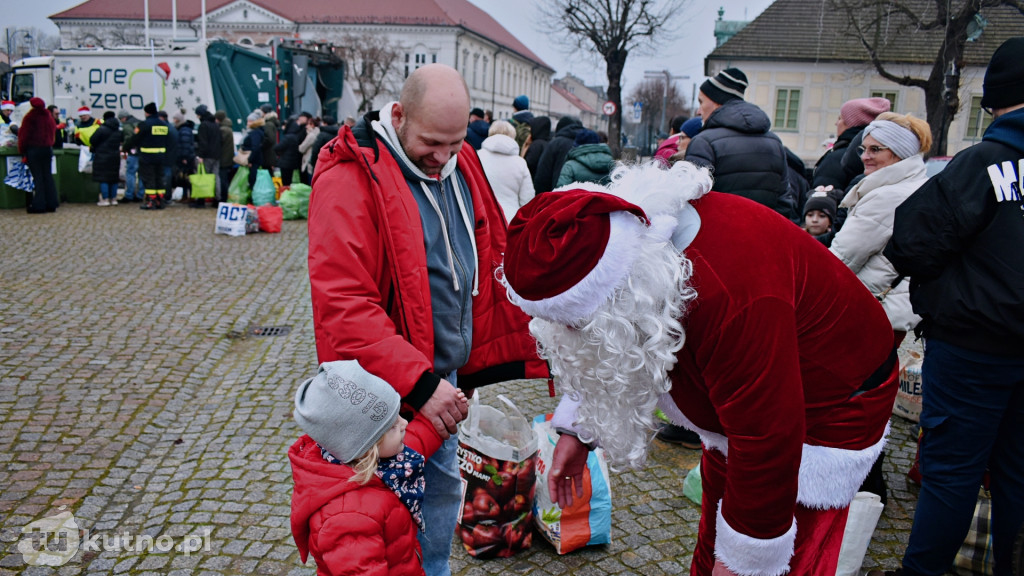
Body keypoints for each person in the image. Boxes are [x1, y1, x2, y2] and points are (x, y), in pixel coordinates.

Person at [500, 161, 899, 576]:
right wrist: (578, 428)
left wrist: (746, 560)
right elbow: (609, 344)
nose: (568, 332)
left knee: (789, 549)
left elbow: (766, 438)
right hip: (743, 399)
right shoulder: (631, 250)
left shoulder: (732, 294)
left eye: (575, 320)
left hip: (833, 401)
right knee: (718, 521)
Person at [307, 63, 547, 576]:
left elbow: (490, 249)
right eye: (432, 143)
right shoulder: (351, 175)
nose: (442, 158)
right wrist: (420, 384)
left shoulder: (463, 164)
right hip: (384, 396)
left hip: (440, 378)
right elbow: (344, 305)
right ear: (398, 115)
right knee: (378, 522)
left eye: (456, 143)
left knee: (439, 497)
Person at [879, 36, 1024, 576]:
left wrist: (948, 290)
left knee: (952, 473)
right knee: (1018, 474)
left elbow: (912, 243)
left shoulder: (983, 162)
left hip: (973, 347)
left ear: (995, 104)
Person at [290, 360, 463, 576]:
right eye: (393, 426)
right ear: (365, 446)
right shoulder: (346, 517)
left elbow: (419, 439)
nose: (404, 424)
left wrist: (448, 413)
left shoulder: (387, 459)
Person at [831, 112, 930, 346]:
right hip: (892, 308)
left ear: (899, 153)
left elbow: (842, 259)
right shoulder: (915, 186)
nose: (865, 156)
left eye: (875, 150)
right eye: (863, 149)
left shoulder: (887, 196)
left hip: (871, 310)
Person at [684, 68, 793, 220]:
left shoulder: (704, 142)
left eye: (701, 102)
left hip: (720, 236)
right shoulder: (774, 143)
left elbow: (691, 202)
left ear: (717, 102)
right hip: (761, 235)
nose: (698, 111)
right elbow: (784, 203)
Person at [477, 120, 534, 223]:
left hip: (481, 218)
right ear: (512, 136)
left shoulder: (477, 157)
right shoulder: (520, 163)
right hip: (509, 220)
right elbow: (527, 199)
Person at [127, 103, 171, 211]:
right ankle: (160, 200)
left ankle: (151, 201)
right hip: (161, 156)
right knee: (159, 178)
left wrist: (125, 147)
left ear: (147, 112)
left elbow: (134, 138)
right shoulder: (163, 125)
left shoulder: (144, 125)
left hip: (147, 156)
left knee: (149, 179)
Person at [19, 97, 59, 214]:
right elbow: (53, 133)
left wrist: (22, 150)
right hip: (47, 149)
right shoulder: (48, 117)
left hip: (34, 149)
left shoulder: (29, 117)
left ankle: (39, 204)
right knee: (48, 176)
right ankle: (51, 203)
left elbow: (24, 135)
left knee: (38, 177)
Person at [532, 115, 583, 193]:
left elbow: (543, 174)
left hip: (557, 195)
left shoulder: (556, 143)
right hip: (584, 197)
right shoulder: (588, 143)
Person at [89, 111, 123, 206]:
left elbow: (92, 140)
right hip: (115, 157)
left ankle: (105, 199)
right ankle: (114, 198)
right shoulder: (119, 130)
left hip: (102, 156)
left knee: (103, 178)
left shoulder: (102, 129)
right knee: (114, 178)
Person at [195, 104, 223, 207]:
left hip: (207, 155)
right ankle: (217, 199)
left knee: (203, 177)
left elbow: (203, 142)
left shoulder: (203, 125)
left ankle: (201, 199)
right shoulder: (215, 124)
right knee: (216, 177)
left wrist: (201, 155)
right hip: (216, 155)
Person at [275, 112, 309, 187]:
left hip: (285, 163)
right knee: (289, 181)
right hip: (292, 163)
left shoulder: (288, 137)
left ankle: (285, 195)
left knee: (285, 182)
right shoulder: (296, 137)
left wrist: (279, 153)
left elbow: (278, 147)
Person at [172, 111, 197, 203]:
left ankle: (190, 196)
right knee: (184, 178)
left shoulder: (184, 130)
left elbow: (185, 145)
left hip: (186, 158)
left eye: (175, 119)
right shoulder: (183, 129)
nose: (174, 121)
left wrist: (184, 158)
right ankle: (186, 195)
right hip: (186, 157)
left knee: (187, 178)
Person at [118, 110, 142, 202]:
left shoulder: (127, 125)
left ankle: (129, 194)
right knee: (141, 174)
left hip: (133, 152)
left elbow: (128, 139)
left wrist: (124, 148)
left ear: (123, 118)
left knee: (130, 173)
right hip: (142, 152)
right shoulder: (139, 122)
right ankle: (140, 194)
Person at [241, 111, 265, 192]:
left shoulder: (255, 132)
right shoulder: (256, 131)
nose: (248, 123)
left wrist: (250, 160)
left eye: (250, 121)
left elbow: (255, 147)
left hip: (254, 160)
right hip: (256, 159)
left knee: (253, 180)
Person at [215, 110, 235, 202]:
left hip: (224, 158)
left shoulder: (223, 130)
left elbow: (219, 143)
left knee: (223, 179)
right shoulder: (228, 128)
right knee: (225, 178)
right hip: (228, 157)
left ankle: (224, 198)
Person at [298, 116, 321, 186]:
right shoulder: (318, 133)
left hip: (308, 162)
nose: (306, 127)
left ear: (312, 125)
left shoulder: (311, 135)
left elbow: (301, 148)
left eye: (307, 124)